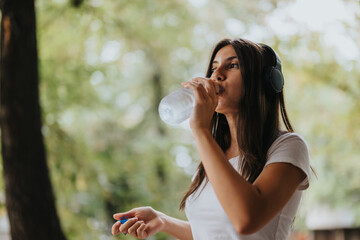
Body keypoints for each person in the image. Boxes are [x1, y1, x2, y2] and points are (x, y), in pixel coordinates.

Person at [111, 38, 311, 240]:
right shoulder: (216, 153)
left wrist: (200, 129)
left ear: (265, 81)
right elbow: (214, 232)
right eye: (214, 68)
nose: (217, 76)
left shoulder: (288, 146)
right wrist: (163, 220)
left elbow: (245, 220)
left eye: (232, 65)